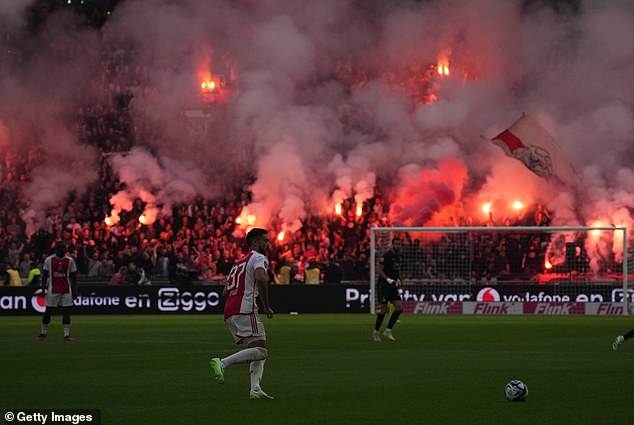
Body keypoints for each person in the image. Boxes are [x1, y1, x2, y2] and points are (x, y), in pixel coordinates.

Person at [210, 228, 275, 400]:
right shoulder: (259, 258)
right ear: (254, 242)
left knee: (257, 347)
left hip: (230, 310)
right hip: (245, 308)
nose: (268, 244)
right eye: (265, 241)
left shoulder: (238, 262)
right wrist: (266, 306)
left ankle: (255, 389)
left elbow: (225, 291)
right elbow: (261, 279)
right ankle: (223, 363)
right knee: (261, 351)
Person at [37, 242, 78, 341]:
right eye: (60, 248)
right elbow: (45, 276)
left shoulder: (70, 261)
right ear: (56, 250)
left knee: (66, 312)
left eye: (63, 248)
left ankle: (66, 335)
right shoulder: (49, 260)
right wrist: (43, 289)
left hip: (66, 290)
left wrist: (75, 291)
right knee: (48, 312)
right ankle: (43, 333)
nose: (61, 250)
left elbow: (74, 277)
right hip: (53, 289)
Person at [372, 237, 403, 342]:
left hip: (393, 285)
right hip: (384, 285)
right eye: (396, 244)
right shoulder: (387, 255)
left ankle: (388, 331)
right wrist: (388, 279)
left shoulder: (399, 256)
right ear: (392, 244)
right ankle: (376, 332)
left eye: (399, 244)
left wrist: (399, 279)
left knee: (399, 307)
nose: (398, 245)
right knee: (384, 310)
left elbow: (396, 271)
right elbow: (379, 270)